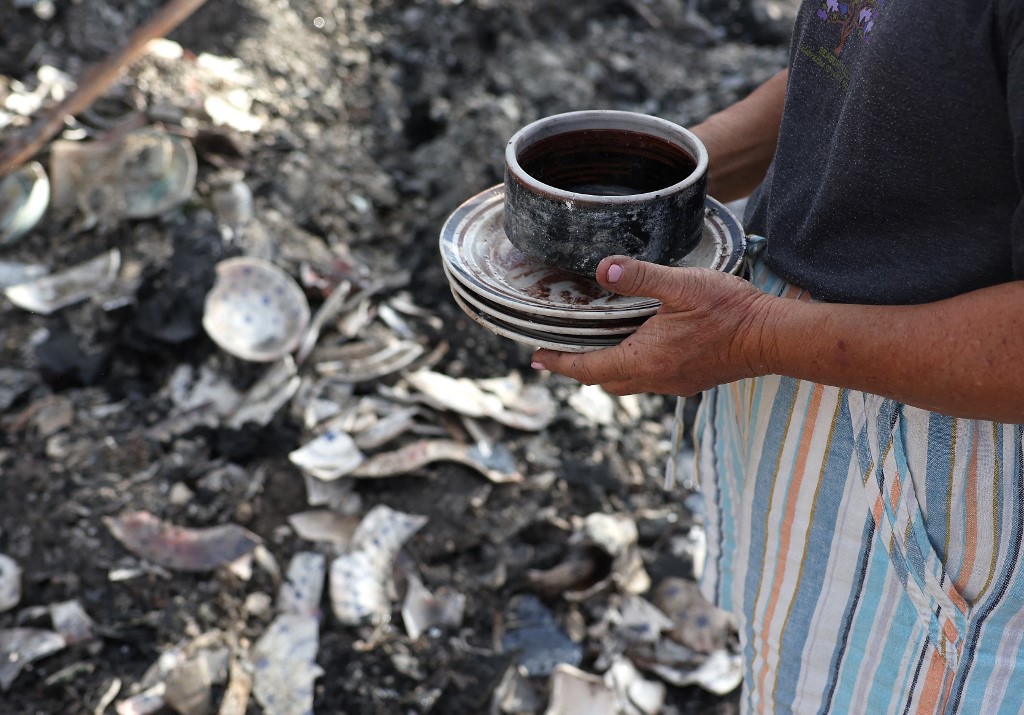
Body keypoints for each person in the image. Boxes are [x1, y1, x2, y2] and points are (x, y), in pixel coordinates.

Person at [529, 3, 1024, 713]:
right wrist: (651, 183)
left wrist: (756, 334)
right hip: (809, 379)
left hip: (952, 464)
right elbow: (867, 62)